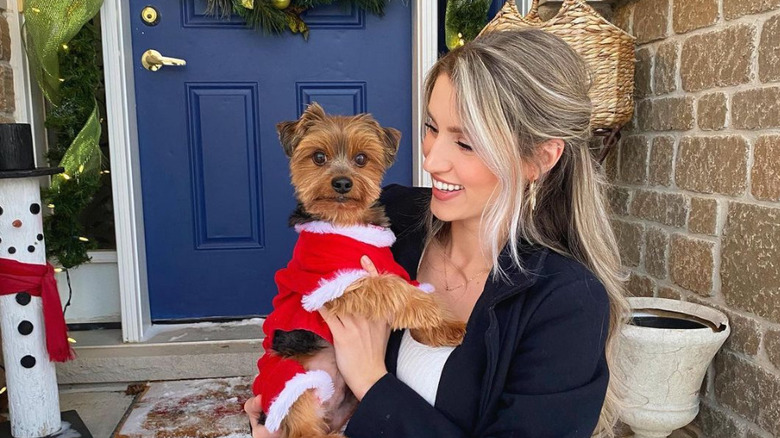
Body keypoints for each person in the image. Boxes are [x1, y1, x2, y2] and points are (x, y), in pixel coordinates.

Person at [245, 28, 629, 437]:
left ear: (537, 158)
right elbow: (296, 317)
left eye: (465, 143)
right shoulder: (390, 217)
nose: (432, 160)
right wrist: (274, 412)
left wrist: (371, 381)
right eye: (432, 127)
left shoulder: (567, 302)